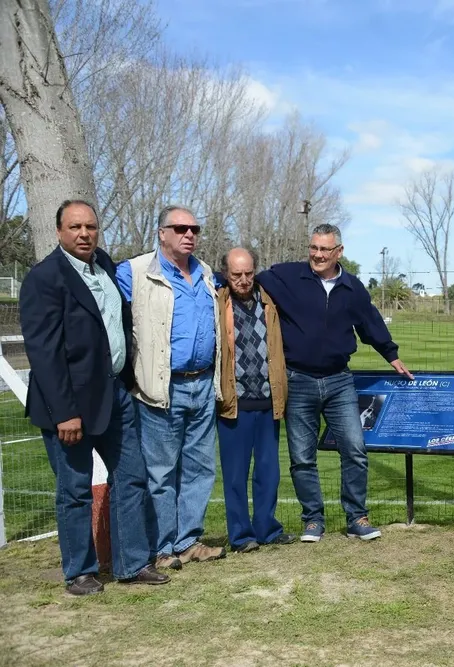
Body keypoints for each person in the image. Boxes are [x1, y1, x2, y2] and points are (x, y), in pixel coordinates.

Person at [20, 200, 168, 595]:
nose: (84, 234)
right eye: (75, 227)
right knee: (75, 489)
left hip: (115, 393)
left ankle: (132, 563)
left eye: (90, 226)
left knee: (133, 478)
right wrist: (64, 413)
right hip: (69, 407)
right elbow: (44, 353)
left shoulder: (103, 264)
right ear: (58, 231)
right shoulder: (44, 279)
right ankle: (80, 572)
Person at [255, 224, 413, 542]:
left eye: (325, 249)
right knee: (301, 457)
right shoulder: (286, 276)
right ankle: (313, 520)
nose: (317, 254)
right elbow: (248, 279)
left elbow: (370, 323)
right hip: (298, 381)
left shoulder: (352, 288)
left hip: (339, 381)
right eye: (313, 247)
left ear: (339, 251)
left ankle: (357, 517)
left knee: (354, 449)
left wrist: (391, 355)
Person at [118, 205, 225, 569]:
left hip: (202, 386)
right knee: (161, 473)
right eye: (179, 228)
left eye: (194, 228)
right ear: (161, 232)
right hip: (161, 389)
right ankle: (162, 549)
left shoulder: (207, 273)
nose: (189, 234)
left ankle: (188, 541)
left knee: (200, 469)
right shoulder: (133, 272)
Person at [216, 248, 295, 553]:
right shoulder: (217, 302)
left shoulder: (269, 301)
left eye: (249, 273)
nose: (244, 280)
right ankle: (240, 536)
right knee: (235, 475)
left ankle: (267, 528)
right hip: (234, 404)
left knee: (268, 472)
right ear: (226, 274)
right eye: (237, 274)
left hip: (268, 400)